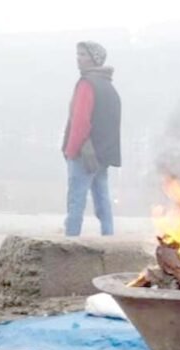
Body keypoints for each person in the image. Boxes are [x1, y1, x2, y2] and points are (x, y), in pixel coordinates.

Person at [62, 41, 122, 236]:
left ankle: (70, 240)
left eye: (83, 55)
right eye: (78, 54)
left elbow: (80, 121)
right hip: (102, 155)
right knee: (102, 199)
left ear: (94, 59)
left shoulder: (87, 84)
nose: (78, 58)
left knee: (76, 200)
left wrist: (71, 151)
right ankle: (109, 237)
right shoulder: (109, 87)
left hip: (83, 153)